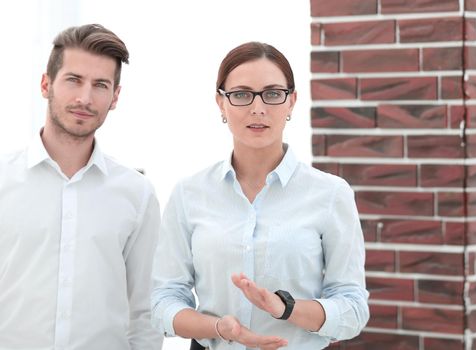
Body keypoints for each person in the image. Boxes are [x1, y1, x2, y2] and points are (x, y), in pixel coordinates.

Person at [151, 41, 369, 350]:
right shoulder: (189, 194)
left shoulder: (331, 194)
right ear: (220, 103)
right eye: (241, 94)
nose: (258, 108)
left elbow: (354, 309)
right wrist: (220, 328)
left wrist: (286, 308)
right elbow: (163, 300)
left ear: (291, 102)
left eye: (272, 94)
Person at [0, 24, 162, 350]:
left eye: (100, 85)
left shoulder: (137, 194)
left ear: (115, 97)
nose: (84, 98)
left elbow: (145, 310)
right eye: (74, 80)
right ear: (46, 83)